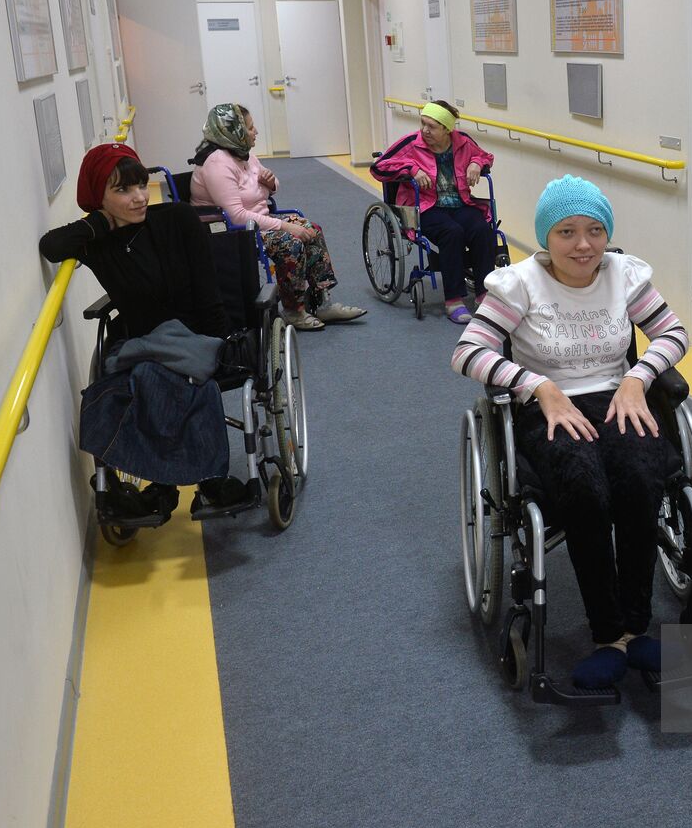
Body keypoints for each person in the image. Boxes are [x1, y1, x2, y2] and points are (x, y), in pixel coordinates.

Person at [451, 176, 690, 688]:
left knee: (641, 480)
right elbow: (467, 352)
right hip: (550, 405)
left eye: (595, 230)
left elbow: (673, 332)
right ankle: (608, 636)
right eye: (567, 232)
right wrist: (536, 385)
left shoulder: (624, 275)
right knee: (585, 491)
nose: (583, 245)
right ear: (545, 237)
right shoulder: (517, 285)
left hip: (618, 395)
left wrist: (637, 377)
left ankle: (636, 627)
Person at [39, 143, 237, 519]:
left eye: (141, 185)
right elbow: (51, 246)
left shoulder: (177, 219)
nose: (139, 198)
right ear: (99, 198)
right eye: (122, 190)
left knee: (159, 377)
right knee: (151, 374)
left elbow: (209, 292)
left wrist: (220, 345)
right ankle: (206, 482)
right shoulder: (98, 245)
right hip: (144, 345)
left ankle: (163, 487)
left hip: (195, 338)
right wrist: (99, 223)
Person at [189, 103, 366, 331]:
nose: (256, 132)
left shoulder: (244, 154)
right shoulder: (216, 164)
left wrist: (270, 182)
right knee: (290, 243)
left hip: (261, 221)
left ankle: (322, 301)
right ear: (234, 132)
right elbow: (237, 216)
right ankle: (293, 310)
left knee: (313, 230)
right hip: (233, 232)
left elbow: (268, 188)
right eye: (251, 128)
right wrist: (284, 226)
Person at [372, 100, 496, 324]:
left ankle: (483, 293)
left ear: (447, 129)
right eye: (423, 124)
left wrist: (476, 162)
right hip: (425, 206)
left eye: (432, 126)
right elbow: (379, 167)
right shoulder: (412, 143)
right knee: (452, 233)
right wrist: (410, 168)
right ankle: (454, 300)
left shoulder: (463, 142)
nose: (424, 130)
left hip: (460, 203)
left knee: (481, 229)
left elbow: (485, 156)